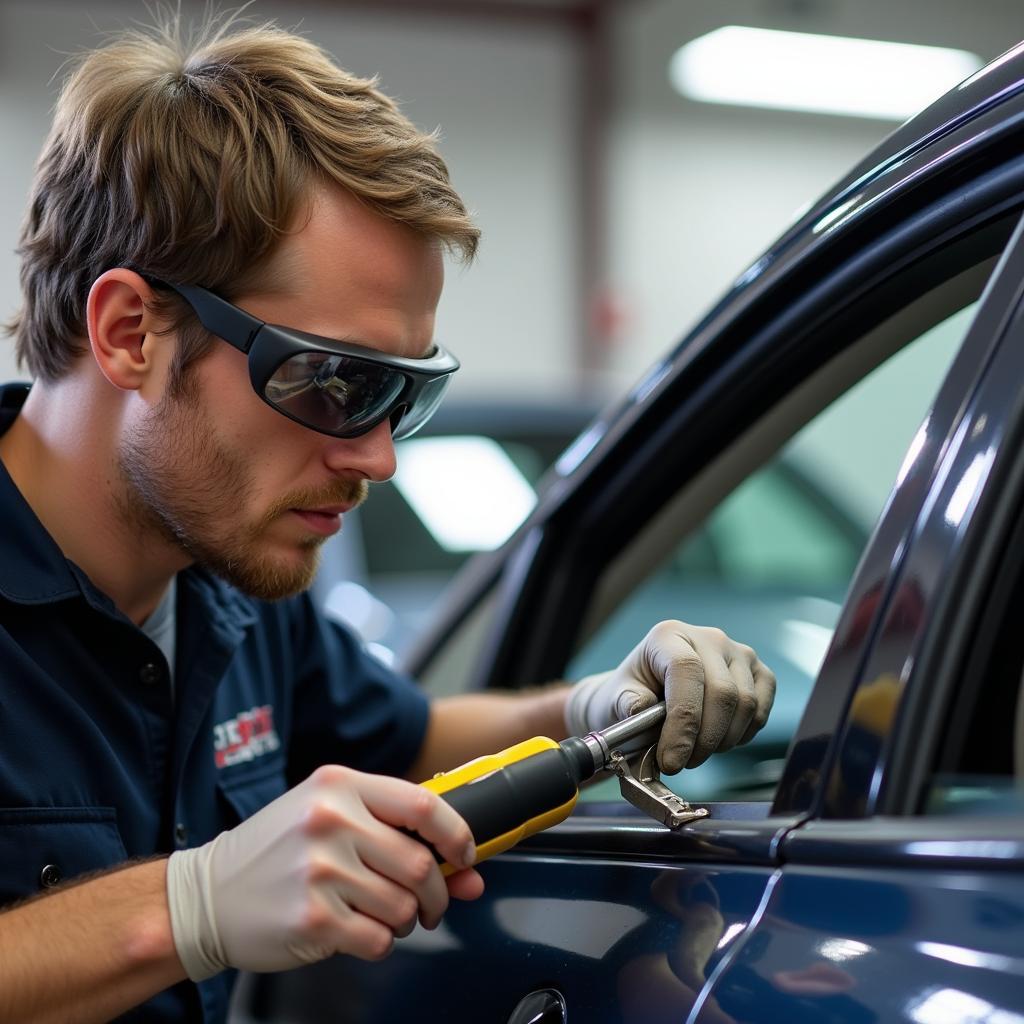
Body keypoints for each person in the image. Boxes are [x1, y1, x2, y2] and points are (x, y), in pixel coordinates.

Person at [0, 14, 776, 1023]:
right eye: (329, 380)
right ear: (130, 332)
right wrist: (186, 909)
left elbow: (405, 745)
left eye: (403, 396)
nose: (377, 456)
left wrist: (590, 713)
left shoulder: (231, 582)